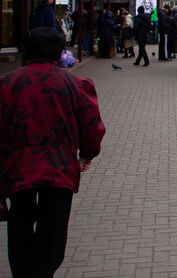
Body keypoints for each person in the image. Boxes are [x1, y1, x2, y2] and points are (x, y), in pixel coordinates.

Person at [0, 28, 105, 277]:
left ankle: (23, 272)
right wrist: (87, 154)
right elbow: (91, 124)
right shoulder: (73, 84)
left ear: (26, 50)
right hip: (58, 169)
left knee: (20, 224)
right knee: (53, 228)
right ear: (60, 52)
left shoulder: (7, 84)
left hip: (18, 169)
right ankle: (43, 272)